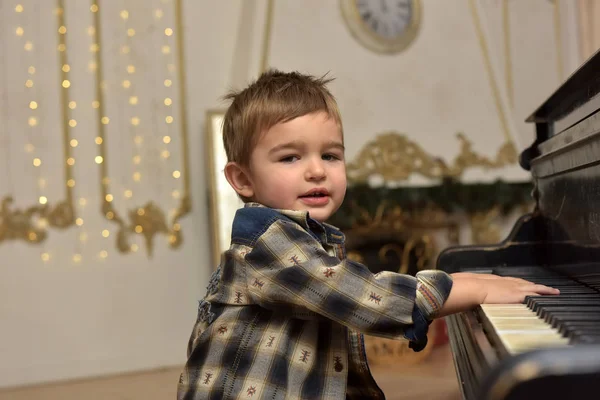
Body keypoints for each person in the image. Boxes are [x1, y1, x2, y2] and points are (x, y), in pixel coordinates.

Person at [177, 70, 559, 400]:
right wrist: (465, 287)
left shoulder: (308, 239)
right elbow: (365, 298)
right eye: (290, 157)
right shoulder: (268, 243)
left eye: (330, 155)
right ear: (242, 179)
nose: (317, 171)